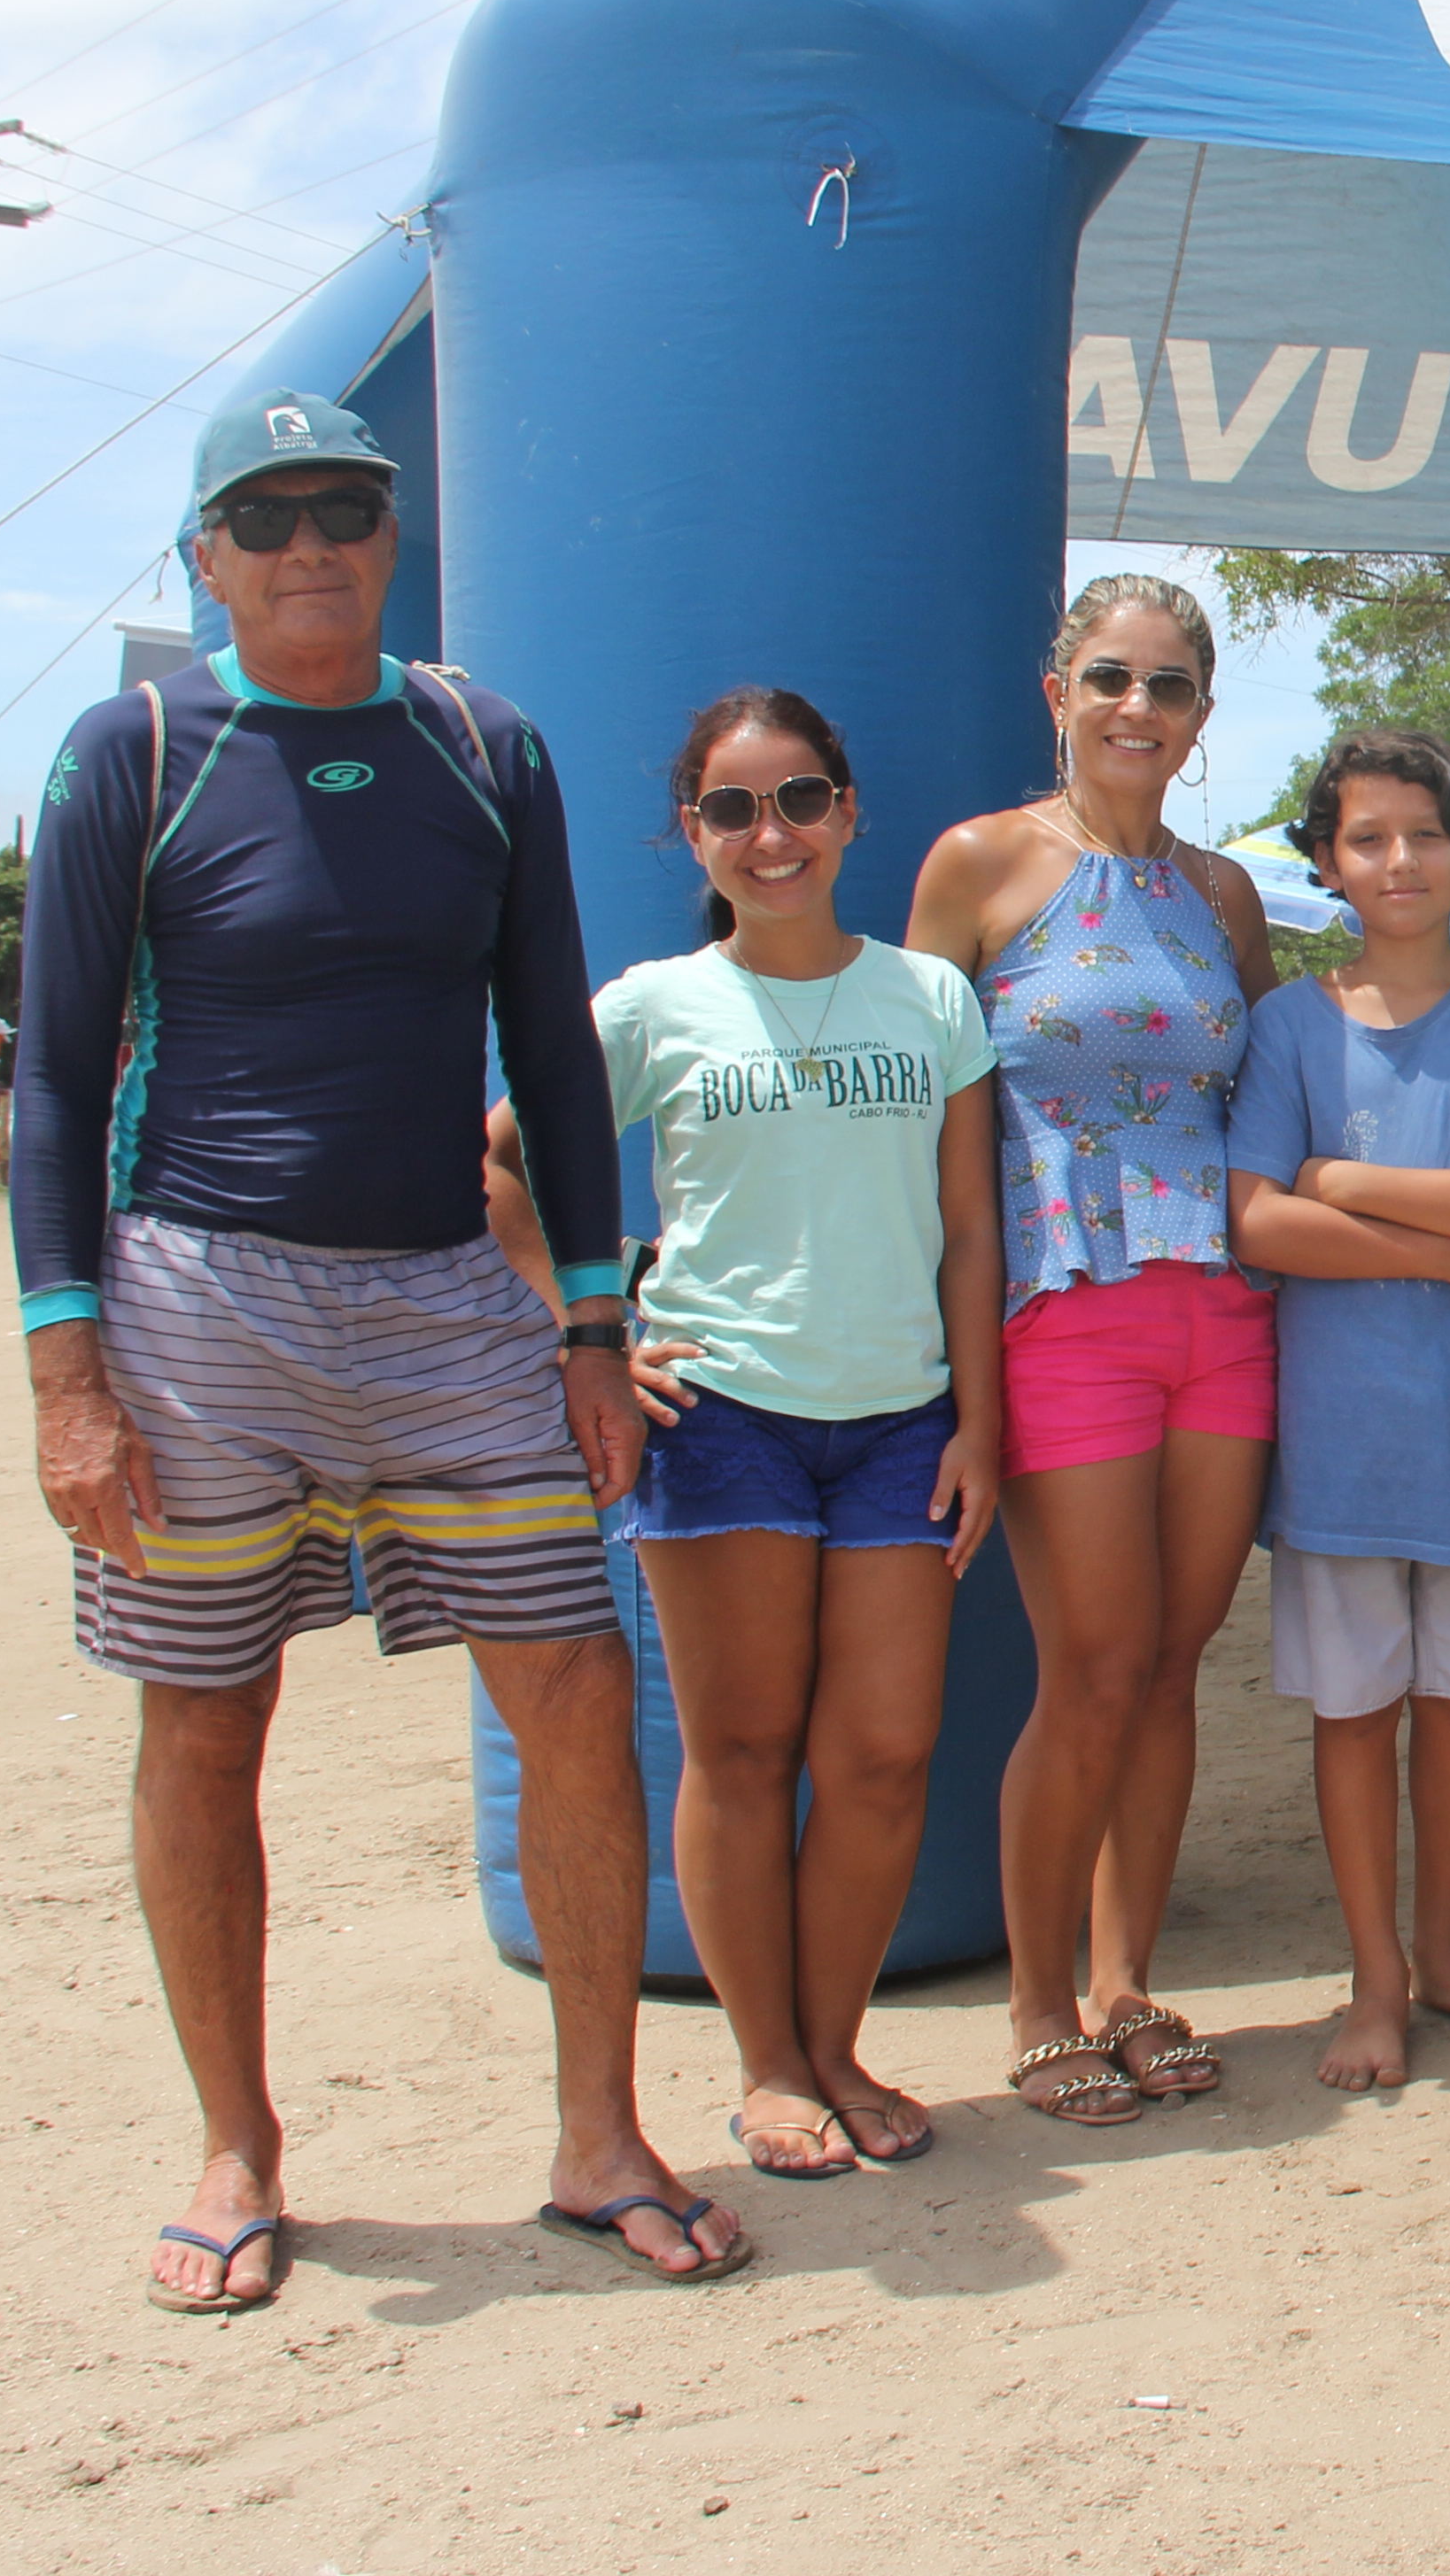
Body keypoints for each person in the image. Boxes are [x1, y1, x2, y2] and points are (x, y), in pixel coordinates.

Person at [12, 389, 741, 2306]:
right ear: (209, 560)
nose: (310, 542)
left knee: (577, 1699)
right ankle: (237, 2147)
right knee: (205, 1721)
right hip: (198, 1307)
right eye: (266, 518)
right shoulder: (138, 749)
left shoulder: (481, 744)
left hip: (445, 1297)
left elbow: (554, 1054)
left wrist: (593, 1316)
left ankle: (601, 2138)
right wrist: (65, 1375)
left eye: (345, 506)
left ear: (391, 534)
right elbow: (58, 1082)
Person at [493, 690, 999, 2178]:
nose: (768, 835)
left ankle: (835, 2045)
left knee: (887, 1757)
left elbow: (971, 1231)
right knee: (740, 1749)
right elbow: (498, 1171)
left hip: (902, 1418)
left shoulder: (931, 999)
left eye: (797, 801)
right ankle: (768, 2066)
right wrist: (593, 1330)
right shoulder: (655, 1004)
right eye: (732, 809)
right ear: (692, 834)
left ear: (848, 813)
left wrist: (977, 1415)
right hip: (722, 1423)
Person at [904, 573, 1277, 2126]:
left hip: (1225, 1314)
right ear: (1056, 690)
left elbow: (1274, 1106)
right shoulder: (980, 867)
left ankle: (1128, 1979)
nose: (1140, 706)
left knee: (1175, 1663)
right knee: (1092, 1666)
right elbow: (933, 1145)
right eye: (1112, 677)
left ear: (1199, 717)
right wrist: (961, 1393)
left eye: (1172, 684)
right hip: (1062, 1312)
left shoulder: (1226, 897)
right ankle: (1040, 1998)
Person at [1228, 730, 1450, 2091]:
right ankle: (1373, 1978)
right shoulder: (1288, 1026)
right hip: (1339, 1442)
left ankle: (1446, 1949)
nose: (1399, 861)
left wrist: (1345, 1178)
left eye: (1427, 835)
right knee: (1355, 1714)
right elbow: (1256, 1222)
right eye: (1366, 838)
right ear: (1326, 863)